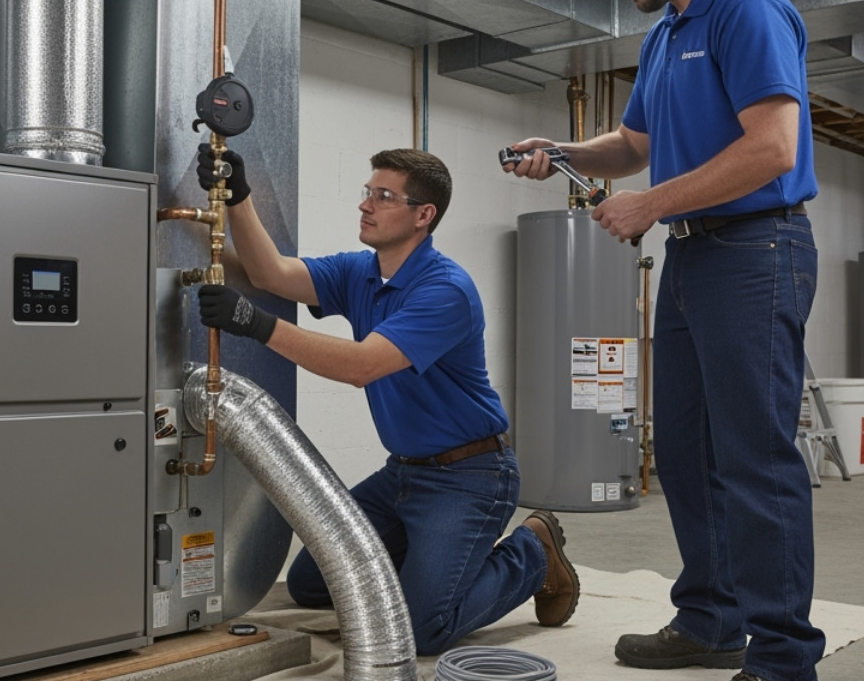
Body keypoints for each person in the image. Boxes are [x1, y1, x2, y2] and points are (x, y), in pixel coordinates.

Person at [506, 0, 823, 681]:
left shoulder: (744, 10)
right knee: (682, 450)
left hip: (759, 249)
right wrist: (562, 149)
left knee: (755, 459)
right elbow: (633, 145)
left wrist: (652, 204)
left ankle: (787, 664)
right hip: (694, 260)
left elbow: (773, 147)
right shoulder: (664, 36)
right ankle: (712, 618)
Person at [193, 144, 579, 654]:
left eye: (384, 196)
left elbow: (362, 366)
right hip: (404, 473)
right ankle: (428, 576)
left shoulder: (445, 290)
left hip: (470, 477)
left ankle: (532, 553)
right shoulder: (362, 272)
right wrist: (238, 197)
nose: (365, 204)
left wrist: (255, 324)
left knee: (420, 631)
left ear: (424, 215)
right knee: (312, 583)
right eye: (367, 192)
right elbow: (271, 274)